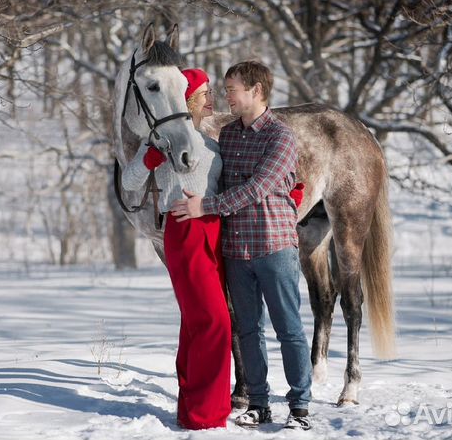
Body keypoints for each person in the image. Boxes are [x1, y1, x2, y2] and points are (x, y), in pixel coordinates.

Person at [170, 60, 313, 431]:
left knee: (289, 329)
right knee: (247, 330)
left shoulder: (281, 136)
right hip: (236, 250)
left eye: (233, 88)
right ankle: (259, 403)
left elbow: (258, 188)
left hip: (274, 245)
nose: (227, 95)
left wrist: (205, 207)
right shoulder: (229, 136)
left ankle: (299, 407)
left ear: (256, 91)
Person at [121, 68, 231, 430]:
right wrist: (147, 158)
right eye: (204, 94)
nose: (211, 99)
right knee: (214, 321)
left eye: (211, 92)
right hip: (184, 233)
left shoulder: (215, 145)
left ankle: (193, 408)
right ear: (186, 101)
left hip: (215, 234)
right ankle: (206, 414)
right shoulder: (167, 142)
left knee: (196, 324)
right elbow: (130, 181)